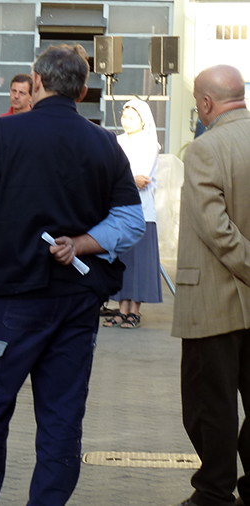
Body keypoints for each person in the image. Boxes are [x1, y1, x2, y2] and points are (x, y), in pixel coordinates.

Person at [0, 44, 144, 506]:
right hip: (76, 299)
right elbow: (131, 221)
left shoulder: (4, 131)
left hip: (9, 299)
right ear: (84, 91)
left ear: (36, 83)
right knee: (61, 419)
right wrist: (80, 243)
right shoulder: (104, 142)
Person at [171, 64, 250, 506]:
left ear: (205, 103)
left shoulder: (206, 148)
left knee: (209, 403)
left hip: (214, 300)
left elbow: (216, 229)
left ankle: (214, 491)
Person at [102, 99, 164, 329]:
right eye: (124, 116)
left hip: (142, 212)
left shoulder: (150, 144)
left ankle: (135, 311)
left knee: (139, 263)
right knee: (120, 260)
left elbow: (142, 178)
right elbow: (110, 173)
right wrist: (126, 178)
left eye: (132, 117)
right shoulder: (116, 142)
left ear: (143, 120)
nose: (126, 121)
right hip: (117, 210)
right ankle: (121, 310)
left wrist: (119, 179)